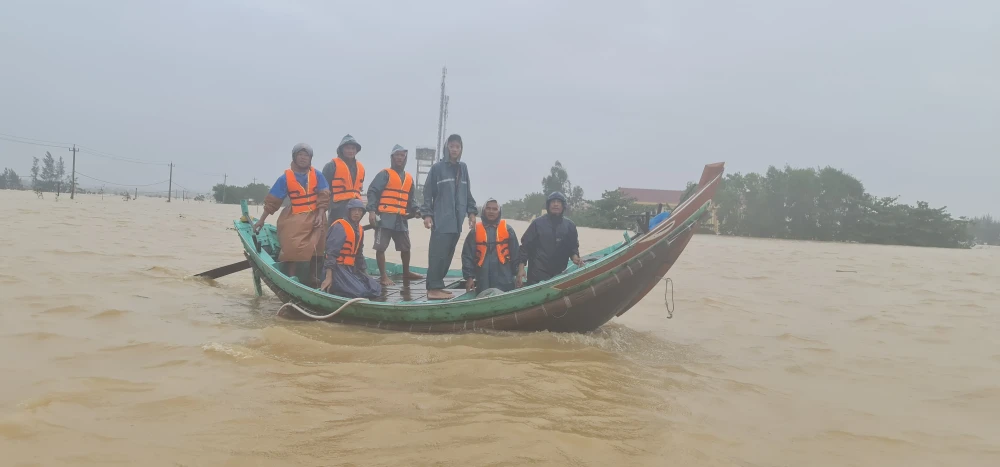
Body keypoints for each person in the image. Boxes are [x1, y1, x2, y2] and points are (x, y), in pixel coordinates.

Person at [254, 143, 331, 284]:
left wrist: (321, 215)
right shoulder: (285, 178)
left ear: (310, 158)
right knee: (292, 244)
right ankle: (291, 276)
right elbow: (273, 201)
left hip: (316, 214)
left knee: (318, 245)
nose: (303, 158)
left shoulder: (317, 175)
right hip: (295, 214)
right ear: (294, 157)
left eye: (306, 155)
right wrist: (261, 220)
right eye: (300, 155)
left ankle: (313, 275)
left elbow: (324, 196)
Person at [421, 134, 478, 300]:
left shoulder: (463, 168)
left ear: (461, 149)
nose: (454, 149)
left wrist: (471, 213)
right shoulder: (437, 168)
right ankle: (432, 288)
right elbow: (427, 192)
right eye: (451, 146)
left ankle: (438, 284)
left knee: (447, 254)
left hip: (457, 220)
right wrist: (427, 215)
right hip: (441, 218)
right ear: (447, 148)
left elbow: (467, 193)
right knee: (437, 254)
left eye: (457, 147)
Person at [366, 144, 424, 286]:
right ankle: (383, 276)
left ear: (405, 158)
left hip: (401, 219)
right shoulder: (384, 174)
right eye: (397, 155)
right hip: (384, 218)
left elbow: (411, 199)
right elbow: (372, 191)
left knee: (406, 247)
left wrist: (416, 209)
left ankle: (406, 272)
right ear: (392, 157)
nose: (400, 158)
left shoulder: (409, 178)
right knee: (381, 247)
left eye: (402, 155)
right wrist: (372, 211)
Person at [516, 192, 584, 286]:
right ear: (548, 205)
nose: (556, 204)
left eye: (558, 202)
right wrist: (521, 269)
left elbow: (573, 248)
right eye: (553, 202)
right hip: (537, 274)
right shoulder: (537, 224)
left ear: (563, 206)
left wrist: (575, 257)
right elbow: (525, 247)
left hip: (560, 273)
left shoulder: (570, 226)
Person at [320, 198, 382, 298]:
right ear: (348, 211)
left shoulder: (359, 229)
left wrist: (366, 275)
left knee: (375, 289)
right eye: (354, 210)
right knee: (360, 293)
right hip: (336, 269)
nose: (357, 213)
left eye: (359, 211)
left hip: (350, 268)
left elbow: (359, 255)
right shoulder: (340, 227)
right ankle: (334, 286)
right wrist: (328, 277)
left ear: (362, 213)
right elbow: (330, 254)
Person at [461, 198, 519, 295]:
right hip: (483, 279)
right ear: (483, 211)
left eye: (494, 209)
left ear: (499, 212)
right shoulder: (474, 231)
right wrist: (469, 278)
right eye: (488, 208)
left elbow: (516, 254)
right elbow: (467, 256)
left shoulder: (508, 230)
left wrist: (518, 274)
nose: (491, 211)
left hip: (505, 279)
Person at [322, 134, 365, 223]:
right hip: (337, 208)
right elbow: (323, 190)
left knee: (353, 233)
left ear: (356, 150)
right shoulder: (331, 166)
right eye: (348, 148)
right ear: (342, 149)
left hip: (355, 207)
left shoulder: (361, 167)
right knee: (336, 232)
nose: (351, 151)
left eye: (353, 148)